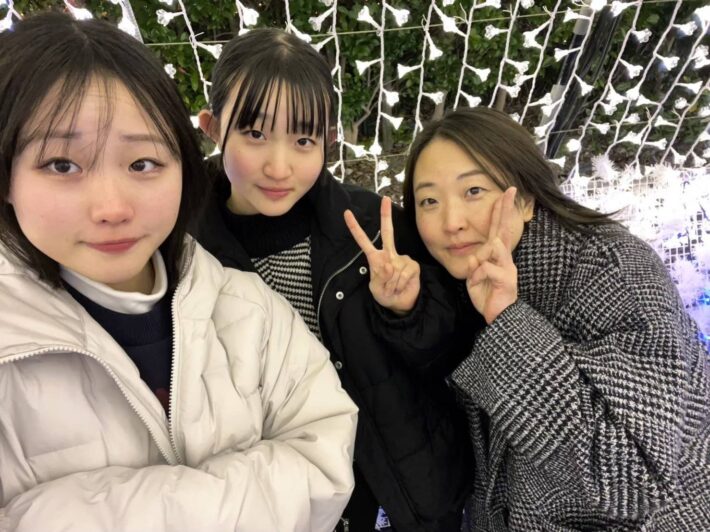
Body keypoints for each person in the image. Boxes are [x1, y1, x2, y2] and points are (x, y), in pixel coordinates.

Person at [0, 12, 358, 531]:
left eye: (141, 163)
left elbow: (323, 454)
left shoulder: (250, 307)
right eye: (63, 165)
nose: (112, 207)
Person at [195, 28, 473, 532]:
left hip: (407, 495)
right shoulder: (187, 255)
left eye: (303, 140)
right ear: (213, 128)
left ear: (328, 139)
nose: (279, 166)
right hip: (285, 508)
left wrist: (409, 308)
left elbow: (450, 355)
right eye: (255, 134)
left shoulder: (374, 227)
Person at [401, 106, 710, 530]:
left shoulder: (613, 273)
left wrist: (509, 322)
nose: (451, 222)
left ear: (526, 199)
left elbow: (634, 481)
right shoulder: (460, 276)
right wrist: (405, 313)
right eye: (429, 201)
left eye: (473, 190)